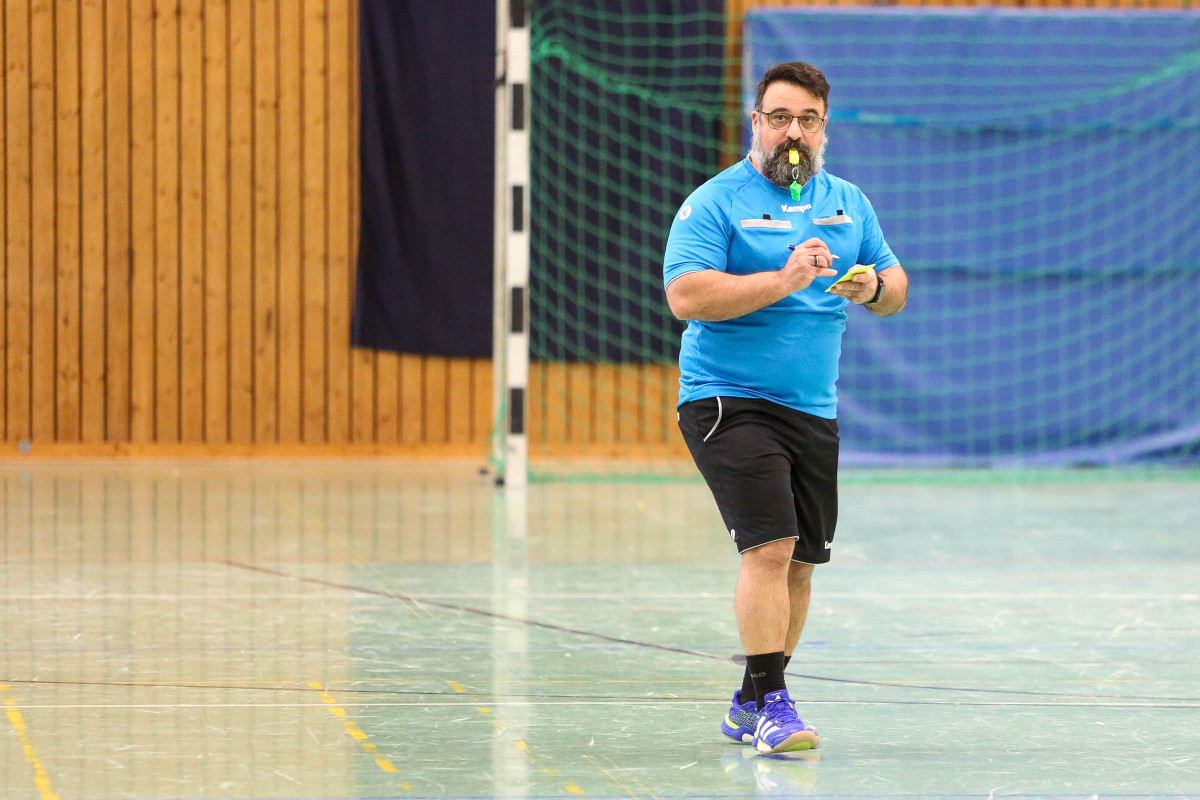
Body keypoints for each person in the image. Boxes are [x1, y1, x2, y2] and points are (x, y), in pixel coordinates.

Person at [662, 61, 908, 754]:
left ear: (824, 128)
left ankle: (750, 702)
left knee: (801, 561)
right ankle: (774, 705)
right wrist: (784, 278)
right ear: (756, 123)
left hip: (812, 408)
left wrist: (872, 289)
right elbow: (685, 295)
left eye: (807, 120)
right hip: (727, 400)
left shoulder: (848, 201)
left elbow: (895, 285)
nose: (793, 132)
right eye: (779, 118)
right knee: (769, 548)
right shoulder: (715, 201)